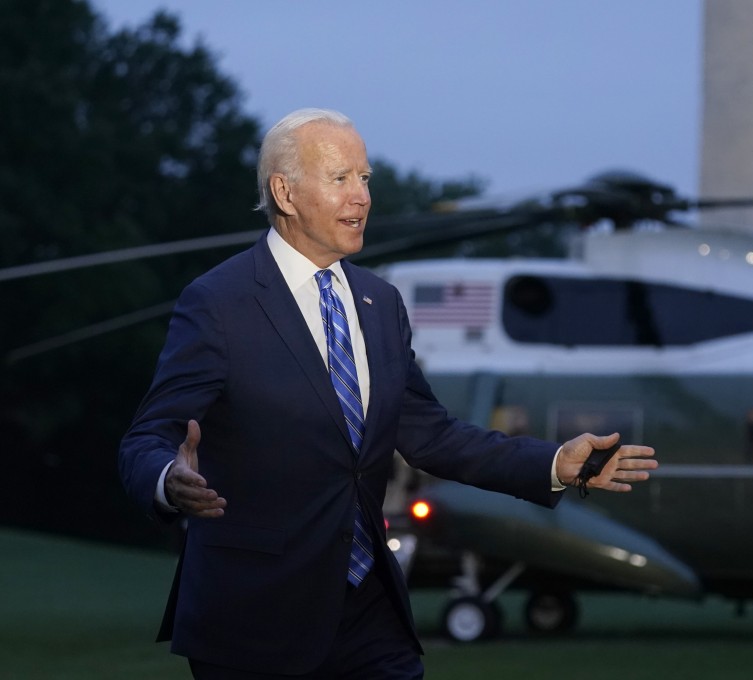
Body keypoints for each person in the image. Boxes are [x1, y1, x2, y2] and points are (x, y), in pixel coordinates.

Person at [119, 107, 657, 679]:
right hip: (255, 616)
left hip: (370, 611)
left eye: (366, 178)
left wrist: (553, 462)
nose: (362, 197)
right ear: (285, 192)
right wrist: (167, 482)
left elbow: (432, 434)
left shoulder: (381, 304)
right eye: (340, 178)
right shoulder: (219, 302)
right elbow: (149, 436)